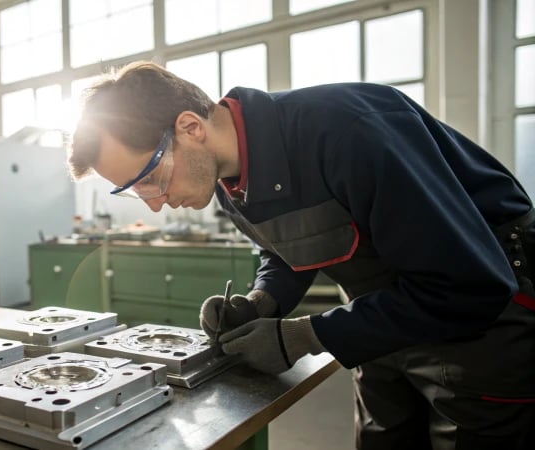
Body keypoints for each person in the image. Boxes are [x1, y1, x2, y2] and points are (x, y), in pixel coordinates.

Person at [67, 61, 535, 449]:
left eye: (150, 178)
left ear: (190, 128)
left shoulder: (348, 131)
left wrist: (309, 335)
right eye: (133, 192)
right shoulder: (225, 176)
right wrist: (261, 300)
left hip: (481, 325)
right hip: (385, 327)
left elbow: (472, 283)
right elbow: (289, 249)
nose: (153, 203)